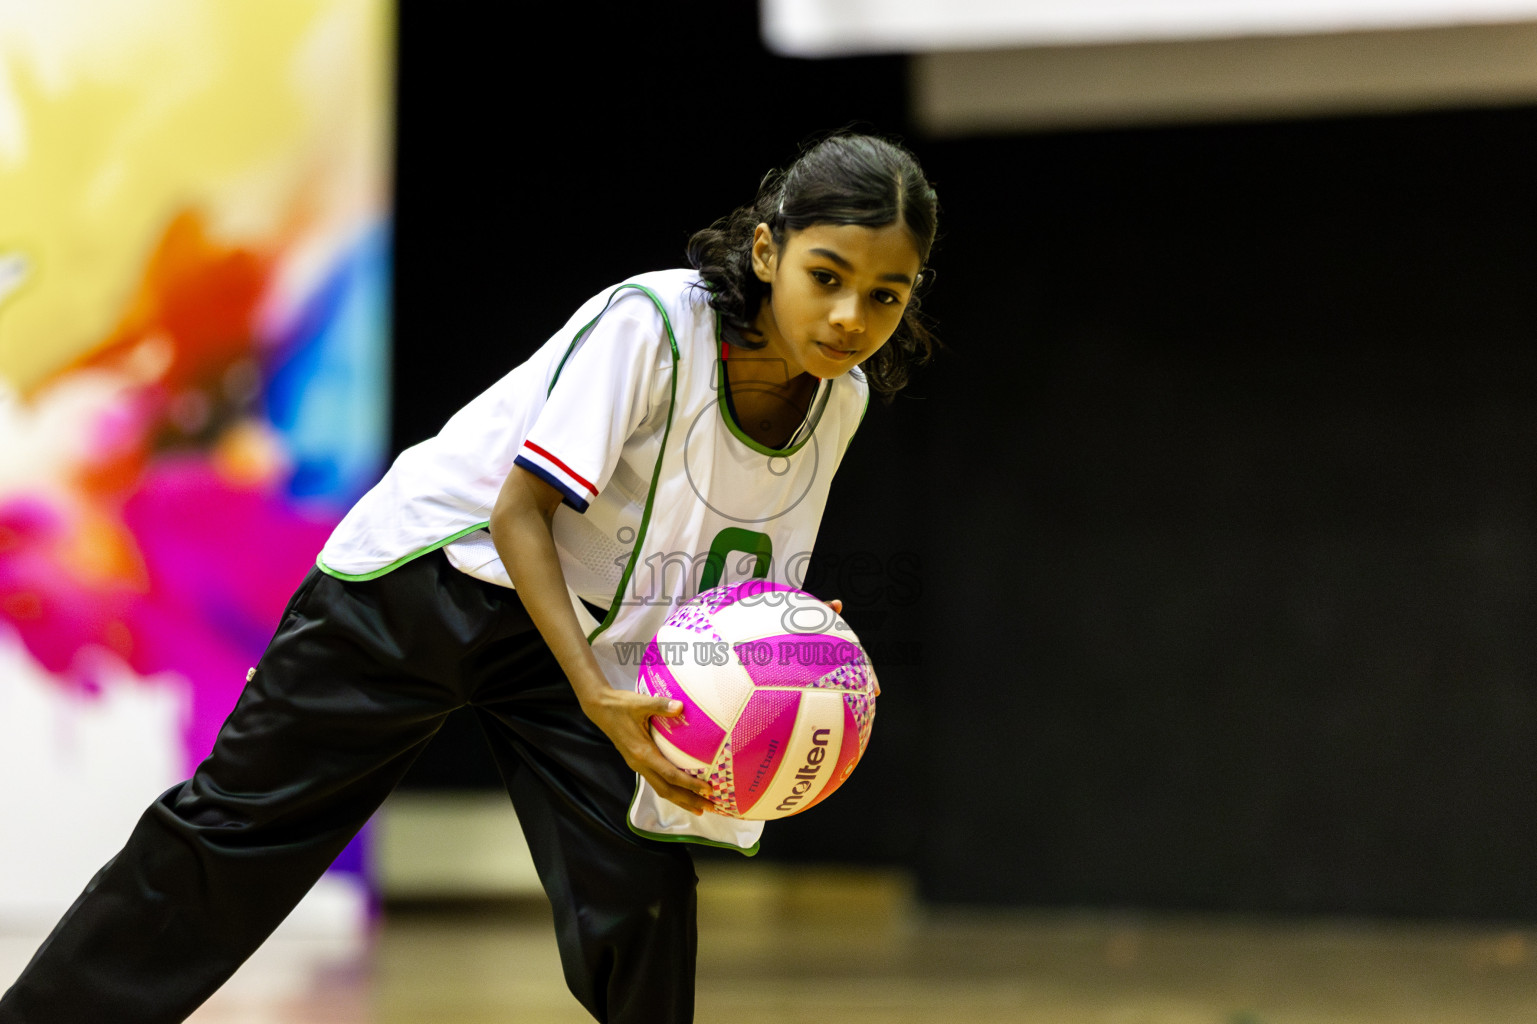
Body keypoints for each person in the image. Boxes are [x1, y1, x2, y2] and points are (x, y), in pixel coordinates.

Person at [0, 130, 939, 1024]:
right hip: (423, 585)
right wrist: (598, 694)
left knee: (639, 889)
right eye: (828, 277)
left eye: (885, 295)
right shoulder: (652, 323)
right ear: (769, 252)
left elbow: (740, 590)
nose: (850, 316)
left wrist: (801, 650)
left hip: (582, 635)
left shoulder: (840, 401)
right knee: (234, 842)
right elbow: (518, 513)